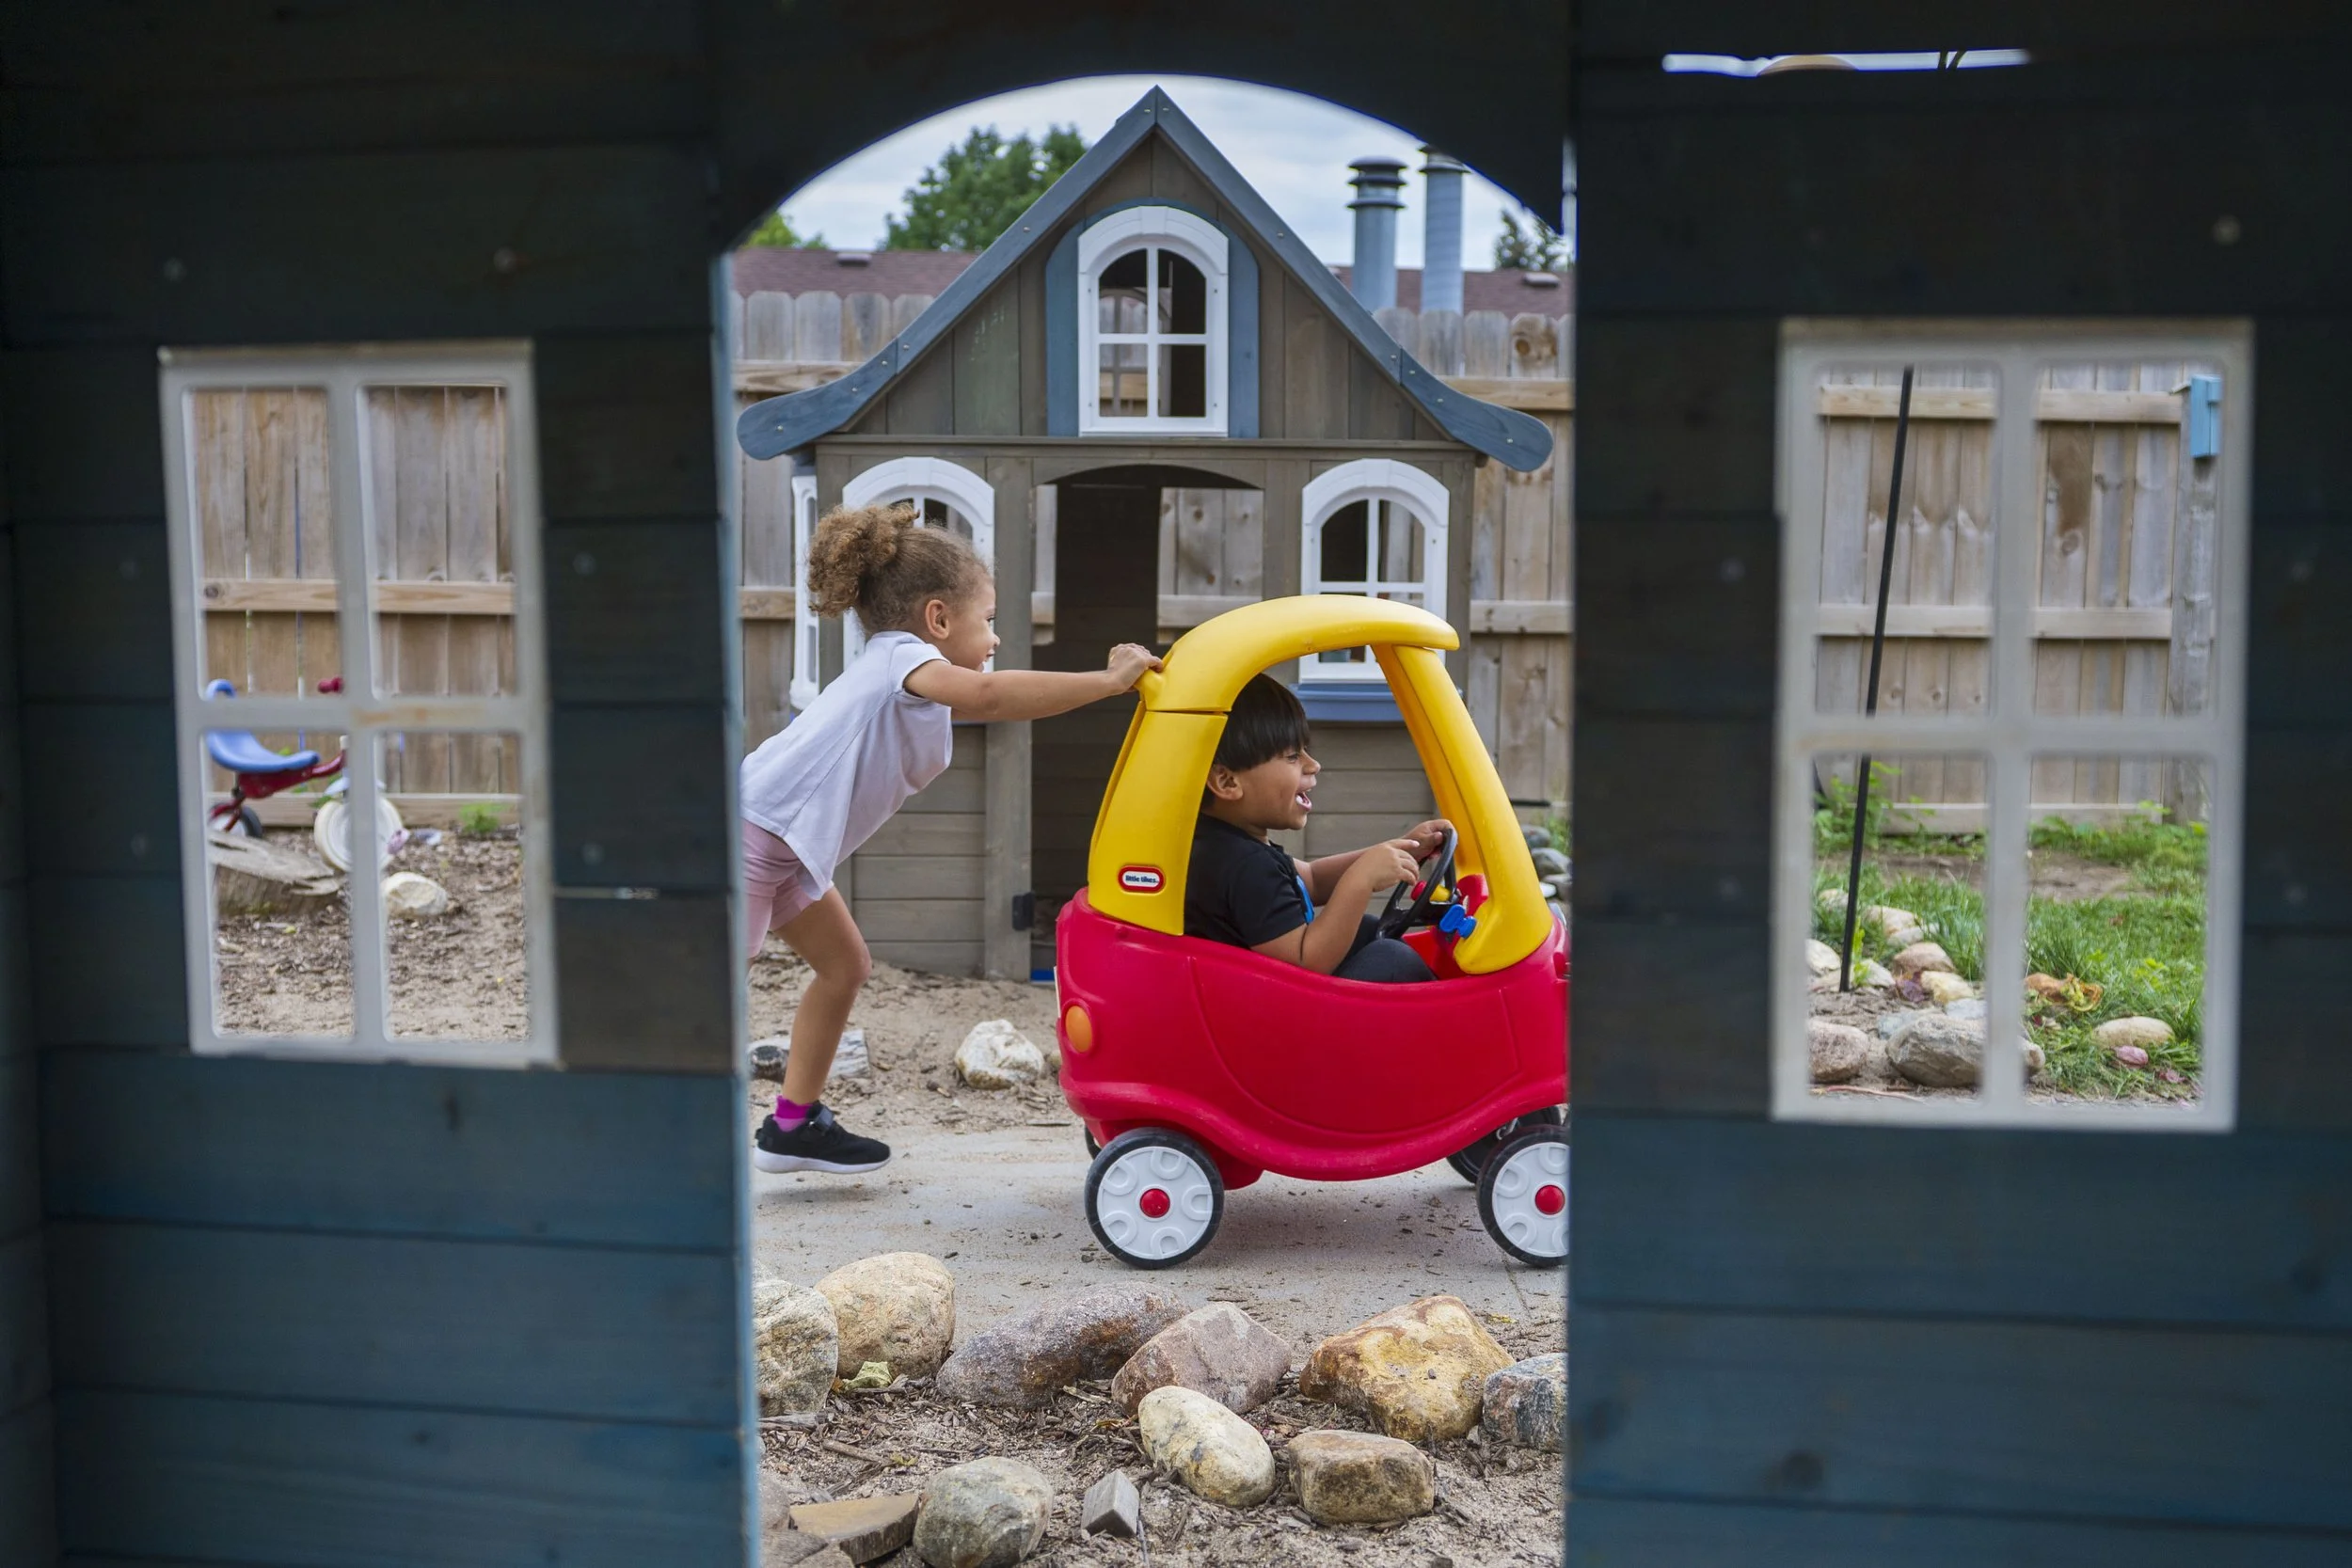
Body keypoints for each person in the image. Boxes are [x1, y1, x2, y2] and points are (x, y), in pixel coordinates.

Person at [741, 502, 1160, 1174]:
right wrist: (1110, 683)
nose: (993, 638)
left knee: (845, 966)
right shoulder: (903, 659)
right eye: (987, 619)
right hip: (752, 841)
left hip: (786, 849)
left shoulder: (898, 670)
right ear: (938, 618)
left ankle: (792, 1124)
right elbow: (991, 697)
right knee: (705, 995)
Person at [1185, 673, 1450, 982]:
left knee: (1366, 931)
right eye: (1294, 756)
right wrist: (1361, 880)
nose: (1313, 765)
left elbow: (1310, 879)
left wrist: (1401, 847)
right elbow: (1304, 961)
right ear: (1228, 781)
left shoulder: (1228, 844)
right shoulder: (1243, 866)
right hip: (1275, 1018)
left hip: (1260, 1000)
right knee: (1392, 960)